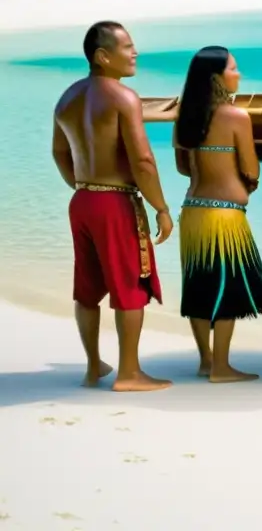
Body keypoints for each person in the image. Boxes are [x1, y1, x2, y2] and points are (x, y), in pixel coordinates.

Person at [52, 21, 173, 392]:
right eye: (127, 47)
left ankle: (93, 367)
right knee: (129, 286)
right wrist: (161, 207)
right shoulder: (124, 97)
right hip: (114, 203)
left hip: (83, 200)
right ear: (103, 57)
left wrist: (83, 185)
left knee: (87, 288)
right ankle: (129, 373)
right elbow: (143, 162)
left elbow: (59, 153)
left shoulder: (67, 98)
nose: (134, 53)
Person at [175, 46, 262, 383]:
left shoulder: (183, 116)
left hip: (192, 212)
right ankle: (222, 367)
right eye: (233, 68)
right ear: (217, 77)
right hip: (225, 216)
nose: (238, 73)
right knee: (227, 290)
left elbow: (182, 167)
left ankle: (205, 360)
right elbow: (251, 167)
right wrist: (249, 183)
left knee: (198, 286)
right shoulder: (236, 117)